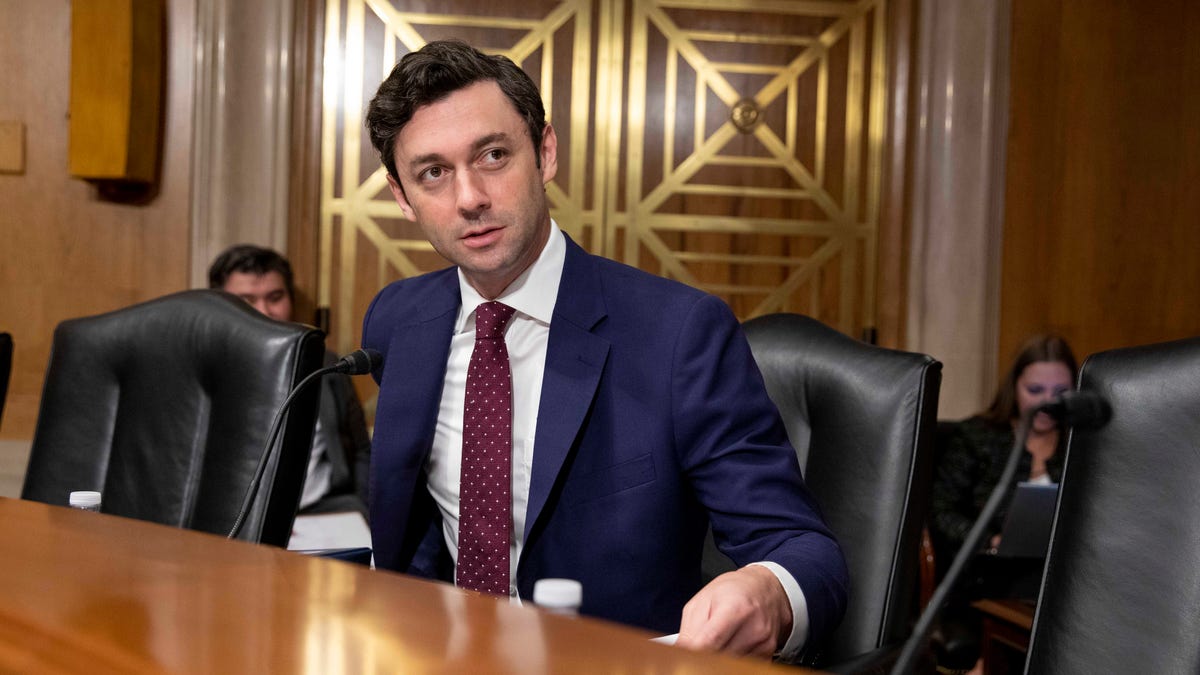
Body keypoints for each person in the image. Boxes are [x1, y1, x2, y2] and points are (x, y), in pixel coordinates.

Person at [359, 40, 847, 661]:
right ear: (402, 197)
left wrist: (769, 590)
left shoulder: (678, 335)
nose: (469, 198)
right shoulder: (398, 320)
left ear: (545, 153)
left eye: (493, 155)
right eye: (433, 173)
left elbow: (805, 551)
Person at [929, 333, 1077, 673]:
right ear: (1015, 386)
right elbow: (942, 511)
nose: (1048, 403)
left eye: (1061, 393)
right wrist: (990, 540)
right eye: (1035, 391)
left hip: (1057, 571)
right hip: (987, 571)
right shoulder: (978, 436)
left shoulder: (1082, 445)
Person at [208, 245, 372, 525]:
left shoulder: (327, 365)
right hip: (233, 521)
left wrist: (364, 511)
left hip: (324, 514)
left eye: (275, 297)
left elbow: (361, 452)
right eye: (246, 299)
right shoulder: (204, 370)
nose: (264, 310)